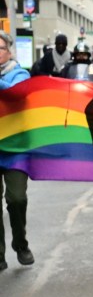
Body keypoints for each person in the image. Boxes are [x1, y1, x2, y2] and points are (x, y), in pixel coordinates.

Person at [0, 31, 34, 271]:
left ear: (9, 51)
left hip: (15, 147)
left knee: (17, 198)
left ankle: (20, 243)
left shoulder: (20, 74)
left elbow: (15, 94)